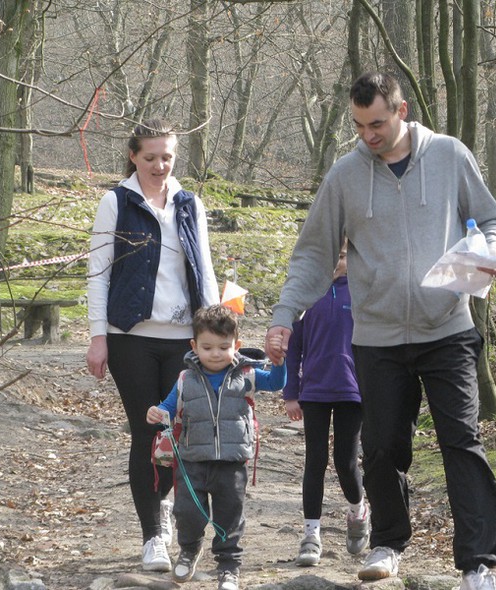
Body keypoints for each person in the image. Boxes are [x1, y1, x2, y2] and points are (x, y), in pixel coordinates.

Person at [264, 72, 496, 590]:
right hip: (375, 337)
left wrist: (491, 251)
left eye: (376, 123)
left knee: (461, 441)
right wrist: (284, 316)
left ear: (401, 111)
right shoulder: (345, 176)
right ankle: (388, 544)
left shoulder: (449, 156)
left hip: (447, 328)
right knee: (379, 448)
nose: (368, 135)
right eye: (358, 125)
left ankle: (478, 564)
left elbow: (495, 221)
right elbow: (312, 254)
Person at [86, 119, 220, 572]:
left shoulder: (189, 204)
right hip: (131, 339)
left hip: (184, 338)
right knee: (148, 432)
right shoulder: (115, 202)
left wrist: (220, 332)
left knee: (177, 435)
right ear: (133, 157)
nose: (160, 165)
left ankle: (163, 510)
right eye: (150, 158)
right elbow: (98, 273)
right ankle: (151, 537)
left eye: (167, 157)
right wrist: (97, 337)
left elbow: (204, 266)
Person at [146, 304, 287, 590]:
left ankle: (228, 566)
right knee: (187, 512)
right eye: (207, 347)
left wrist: (280, 362)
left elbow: (276, 383)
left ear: (237, 345)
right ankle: (189, 549)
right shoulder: (185, 379)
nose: (215, 354)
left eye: (224, 347)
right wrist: (157, 412)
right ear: (194, 346)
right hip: (191, 460)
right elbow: (169, 406)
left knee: (230, 515)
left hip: (232, 461)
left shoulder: (247, 375)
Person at [282, 244, 369, 567]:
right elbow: (294, 348)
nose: (336, 261)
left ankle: (358, 509)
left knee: (345, 461)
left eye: (342, 255)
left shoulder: (363, 293)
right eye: (331, 254)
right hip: (314, 391)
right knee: (314, 461)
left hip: (352, 391)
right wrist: (291, 392)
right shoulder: (307, 295)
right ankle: (310, 535)